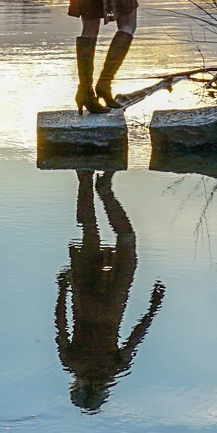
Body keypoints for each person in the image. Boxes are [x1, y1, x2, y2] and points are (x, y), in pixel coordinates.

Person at [54, 170, 165, 412]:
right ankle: (87, 180)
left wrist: (153, 306)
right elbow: (60, 321)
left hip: (113, 299)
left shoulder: (115, 367)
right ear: (76, 388)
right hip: (86, 296)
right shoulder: (72, 362)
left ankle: (104, 191)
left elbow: (138, 333)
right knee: (89, 232)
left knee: (126, 238)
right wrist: (63, 288)